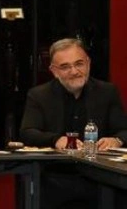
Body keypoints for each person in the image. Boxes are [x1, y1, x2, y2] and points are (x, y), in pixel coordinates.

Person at [20, 37, 127, 209]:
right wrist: (56, 139)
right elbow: (28, 132)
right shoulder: (39, 95)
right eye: (65, 67)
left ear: (88, 63)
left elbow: (123, 130)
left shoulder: (107, 92)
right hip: (56, 177)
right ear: (54, 71)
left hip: (101, 179)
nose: (74, 71)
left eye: (79, 64)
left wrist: (116, 140)